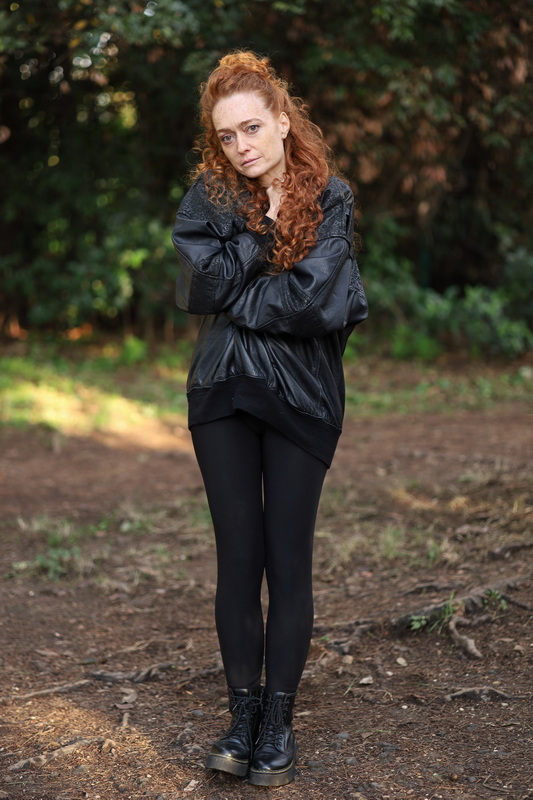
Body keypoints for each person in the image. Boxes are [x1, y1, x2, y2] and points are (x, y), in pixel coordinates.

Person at [171, 50, 368, 787]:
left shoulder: (333, 198)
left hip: (303, 397)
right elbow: (199, 289)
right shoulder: (209, 197)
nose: (241, 146)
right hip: (222, 391)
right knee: (238, 558)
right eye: (226, 135)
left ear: (283, 121)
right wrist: (263, 237)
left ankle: (278, 724)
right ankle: (242, 717)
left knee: (288, 561)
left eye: (252, 127)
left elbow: (315, 303)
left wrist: (238, 291)